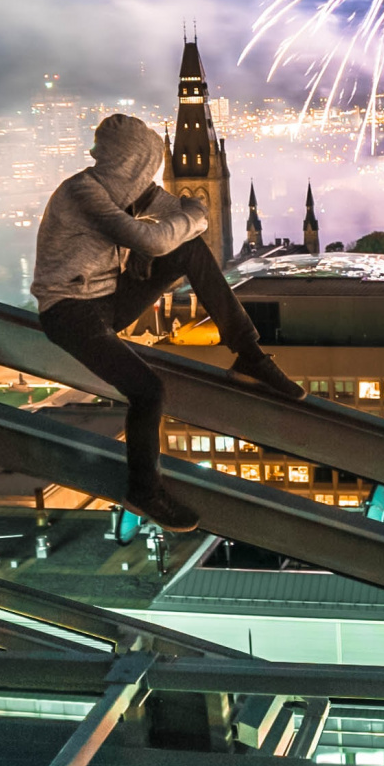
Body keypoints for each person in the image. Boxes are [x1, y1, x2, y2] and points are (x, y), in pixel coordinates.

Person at [32, 113, 304, 532]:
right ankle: (143, 490)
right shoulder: (83, 193)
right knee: (148, 390)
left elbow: (194, 216)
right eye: (146, 164)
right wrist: (176, 225)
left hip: (108, 300)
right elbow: (157, 236)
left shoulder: (132, 192)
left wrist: (182, 222)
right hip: (69, 311)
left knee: (191, 250)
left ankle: (249, 354)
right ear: (131, 161)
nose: (150, 176)